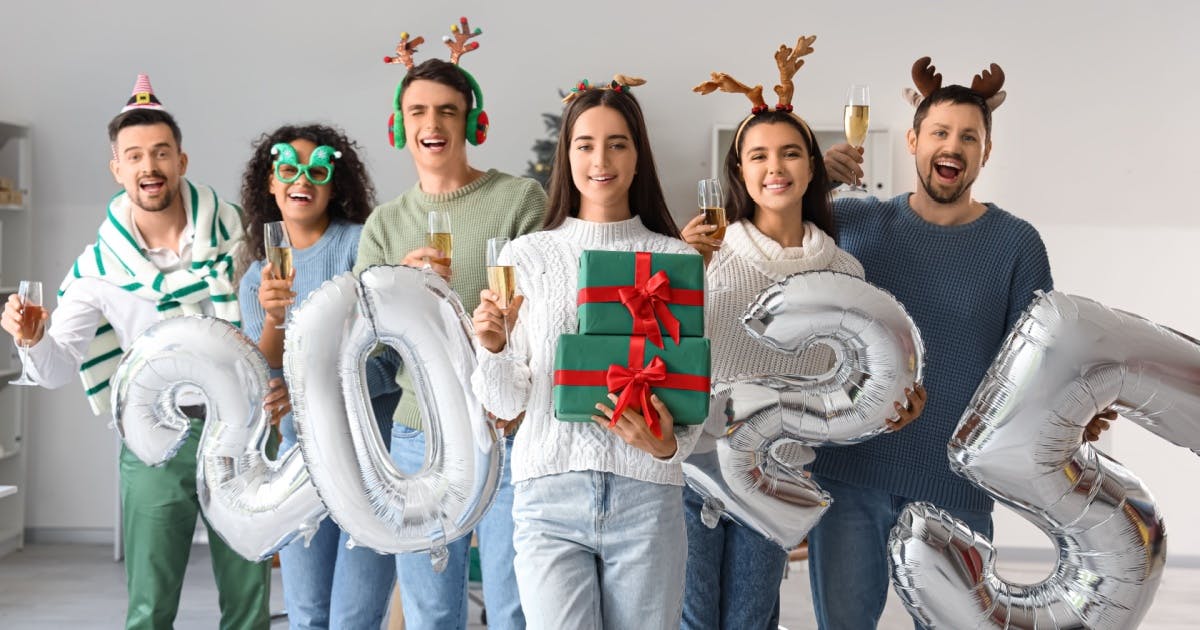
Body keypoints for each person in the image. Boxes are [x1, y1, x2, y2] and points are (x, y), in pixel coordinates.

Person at [811, 59, 1113, 628]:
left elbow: (1036, 366)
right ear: (914, 141)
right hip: (851, 478)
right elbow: (760, 240)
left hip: (956, 488)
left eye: (968, 137)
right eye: (941, 133)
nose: (953, 146)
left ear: (986, 152)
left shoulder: (1017, 245)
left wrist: (1078, 412)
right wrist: (816, 181)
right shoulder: (854, 221)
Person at [0, 75, 272, 629]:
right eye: (135, 156)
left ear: (181, 160)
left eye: (161, 153)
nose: (150, 167)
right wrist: (30, 339)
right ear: (117, 169)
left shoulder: (242, 238)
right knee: (149, 607)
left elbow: (275, 324)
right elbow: (55, 372)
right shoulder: (97, 272)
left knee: (249, 606)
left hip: (241, 431)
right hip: (156, 440)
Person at [679, 39, 924, 630]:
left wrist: (892, 405)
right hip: (692, 470)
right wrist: (677, 273)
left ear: (812, 167)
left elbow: (852, 381)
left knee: (751, 619)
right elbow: (663, 351)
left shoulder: (842, 273)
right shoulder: (705, 256)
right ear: (739, 170)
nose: (775, 167)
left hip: (778, 474)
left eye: (790, 153)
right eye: (758, 156)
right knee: (690, 619)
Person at [469, 77, 703, 630]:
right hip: (547, 496)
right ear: (566, 155)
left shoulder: (676, 258)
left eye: (618, 143)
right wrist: (495, 348)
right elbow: (506, 405)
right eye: (585, 144)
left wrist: (669, 446)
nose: (601, 159)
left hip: (647, 498)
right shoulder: (525, 256)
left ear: (638, 155)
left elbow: (694, 388)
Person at [353, 20, 545, 630]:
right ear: (399, 125)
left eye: (446, 111)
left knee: (516, 608)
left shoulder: (520, 201)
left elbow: (543, 318)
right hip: (419, 438)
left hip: (507, 431)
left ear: (472, 122)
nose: (431, 125)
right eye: (417, 112)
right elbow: (367, 348)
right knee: (432, 614)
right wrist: (394, 295)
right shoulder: (384, 225)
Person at [236, 123, 399, 629]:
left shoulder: (358, 246)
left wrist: (310, 389)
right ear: (270, 182)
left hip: (371, 462)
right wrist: (273, 318)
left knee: (354, 618)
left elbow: (388, 360)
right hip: (298, 464)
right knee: (307, 616)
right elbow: (264, 379)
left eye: (316, 170)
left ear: (334, 183)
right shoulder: (255, 276)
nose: (301, 180)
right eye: (288, 168)